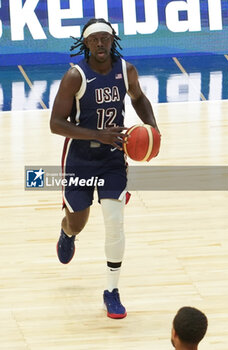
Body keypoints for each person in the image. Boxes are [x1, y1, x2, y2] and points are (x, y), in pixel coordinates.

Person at [50, 17, 160, 319]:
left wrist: (152, 127)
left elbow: (138, 98)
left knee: (115, 221)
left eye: (106, 38)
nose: (101, 43)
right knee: (78, 222)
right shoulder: (75, 76)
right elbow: (55, 124)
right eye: (95, 39)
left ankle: (111, 291)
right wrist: (98, 134)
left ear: (113, 41)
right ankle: (67, 232)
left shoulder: (126, 71)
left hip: (113, 157)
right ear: (86, 44)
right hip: (80, 158)